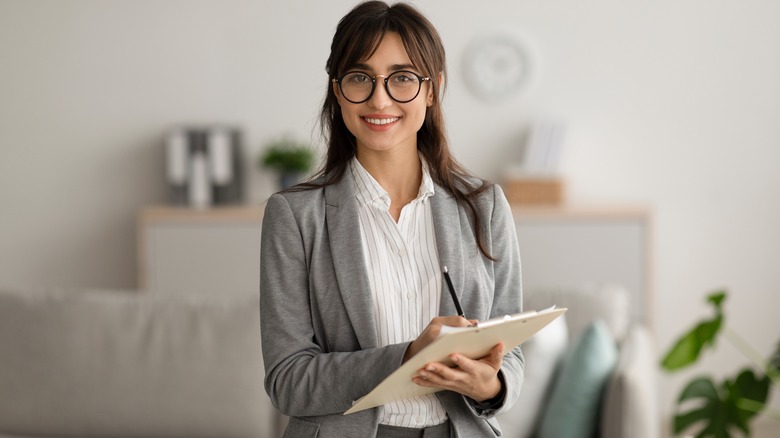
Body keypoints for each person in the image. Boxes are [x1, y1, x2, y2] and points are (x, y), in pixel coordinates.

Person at [259, 2, 523, 437]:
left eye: (402, 78)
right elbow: (288, 381)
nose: (379, 99)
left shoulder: (485, 205)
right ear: (337, 90)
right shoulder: (294, 216)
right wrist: (408, 356)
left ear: (432, 89)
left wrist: (492, 384)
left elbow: (510, 352)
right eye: (360, 78)